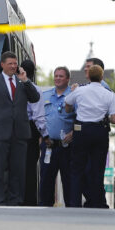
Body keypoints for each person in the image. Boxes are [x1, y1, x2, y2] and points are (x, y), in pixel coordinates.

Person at [0, 52, 41, 205]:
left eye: (15, 64)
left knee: (18, 170)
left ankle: (16, 201)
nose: (14, 66)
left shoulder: (22, 82)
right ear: (2, 65)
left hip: (20, 133)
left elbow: (35, 98)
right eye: (10, 64)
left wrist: (26, 80)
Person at [65, 64, 115, 208]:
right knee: (98, 169)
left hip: (81, 130)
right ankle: (97, 202)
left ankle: (74, 202)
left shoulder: (80, 91)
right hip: (99, 131)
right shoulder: (109, 94)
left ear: (88, 76)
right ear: (102, 77)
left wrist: (71, 108)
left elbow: (67, 104)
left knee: (77, 169)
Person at [39, 66, 76, 206]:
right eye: (56, 76)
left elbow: (80, 118)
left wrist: (73, 133)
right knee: (46, 181)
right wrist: (42, 135)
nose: (58, 78)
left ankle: (71, 211)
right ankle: (44, 210)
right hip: (49, 145)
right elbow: (39, 117)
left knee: (69, 182)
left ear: (68, 79)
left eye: (61, 76)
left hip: (67, 147)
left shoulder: (73, 95)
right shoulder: (45, 95)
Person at [22, 59, 46, 206]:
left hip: (16, 129)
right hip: (31, 130)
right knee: (30, 168)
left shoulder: (15, 88)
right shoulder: (35, 90)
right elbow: (38, 116)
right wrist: (45, 134)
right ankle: (29, 200)